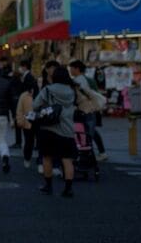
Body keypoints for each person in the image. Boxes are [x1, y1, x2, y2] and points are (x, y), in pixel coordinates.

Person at [32, 66, 78, 197]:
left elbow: (35, 105)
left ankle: (48, 186)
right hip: (67, 128)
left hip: (49, 128)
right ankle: (68, 188)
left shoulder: (47, 90)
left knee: (47, 157)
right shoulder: (72, 90)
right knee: (67, 159)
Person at [68, 60, 108, 162]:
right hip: (93, 109)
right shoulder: (90, 80)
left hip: (84, 109)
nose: (70, 70)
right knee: (91, 131)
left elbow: (80, 98)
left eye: (71, 68)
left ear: (77, 69)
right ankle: (101, 152)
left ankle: (88, 156)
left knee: (87, 133)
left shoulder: (78, 81)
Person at [14, 61, 39, 168]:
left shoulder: (25, 92)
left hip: (32, 118)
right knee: (30, 140)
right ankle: (30, 159)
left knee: (30, 140)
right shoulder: (26, 95)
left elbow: (19, 109)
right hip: (31, 119)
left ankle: (30, 159)